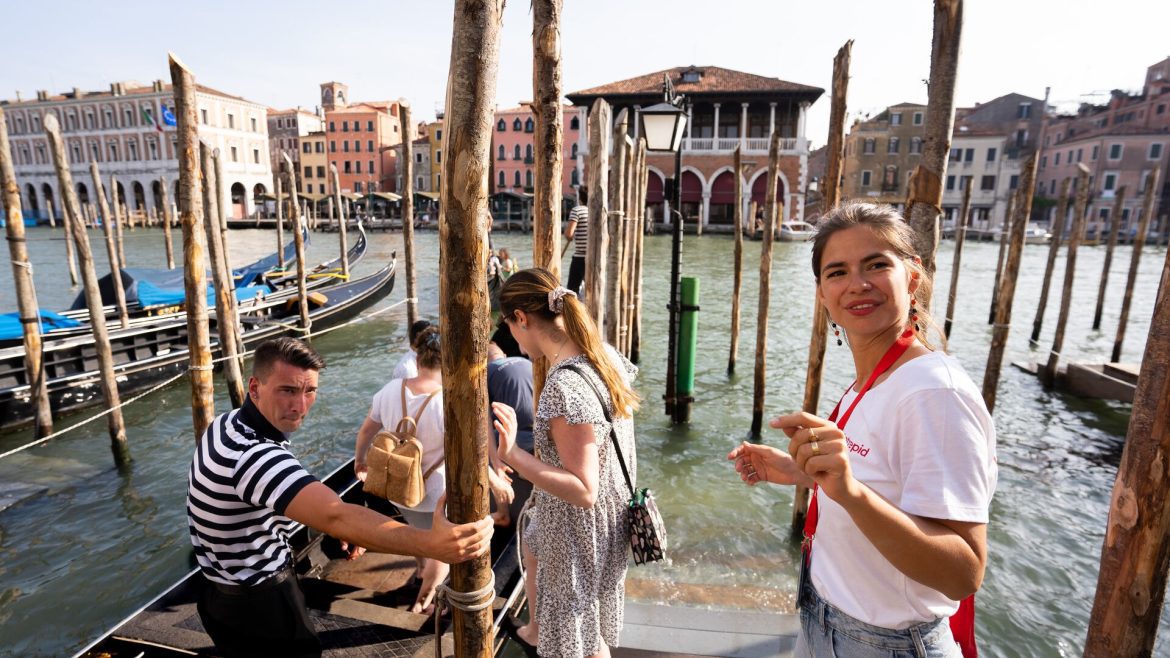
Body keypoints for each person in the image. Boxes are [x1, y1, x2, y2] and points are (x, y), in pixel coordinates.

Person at [727, 202, 996, 658]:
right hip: (824, 620)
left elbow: (963, 572)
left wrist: (849, 490)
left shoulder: (934, 394)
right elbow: (883, 482)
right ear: (822, 293)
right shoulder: (874, 380)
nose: (857, 284)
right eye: (837, 272)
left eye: (876, 265)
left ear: (912, 277)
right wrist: (801, 470)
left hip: (885, 644)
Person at [188, 337, 492, 658]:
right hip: (260, 601)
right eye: (287, 390)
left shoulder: (227, 423)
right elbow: (336, 515)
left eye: (310, 391)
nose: (301, 406)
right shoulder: (257, 457)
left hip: (216, 590)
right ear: (254, 387)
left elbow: (278, 494)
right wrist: (432, 545)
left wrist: (335, 523)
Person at [492, 268, 639, 658]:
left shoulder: (563, 386)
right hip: (609, 521)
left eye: (509, 326)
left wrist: (511, 455)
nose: (511, 338)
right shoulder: (604, 356)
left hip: (578, 535)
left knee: (579, 640)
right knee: (590, 635)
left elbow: (583, 489)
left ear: (521, 318)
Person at [354, 326, 449, 614]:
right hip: (436, 493)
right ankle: (424, 601)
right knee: (442, 552)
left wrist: (360, 461)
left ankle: (419, 572)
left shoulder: (389, 390)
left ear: (418, 360)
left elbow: (366, 432)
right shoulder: (450, 401)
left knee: (416, 532)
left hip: (397, 487)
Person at [564, 188, 589, 296]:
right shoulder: (597, 210)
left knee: (572, 290)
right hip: (595, 257)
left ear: (580, 197)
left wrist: (570, 236)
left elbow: (569, 234)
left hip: (580, 258)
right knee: (591, 288)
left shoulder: (577, 210)